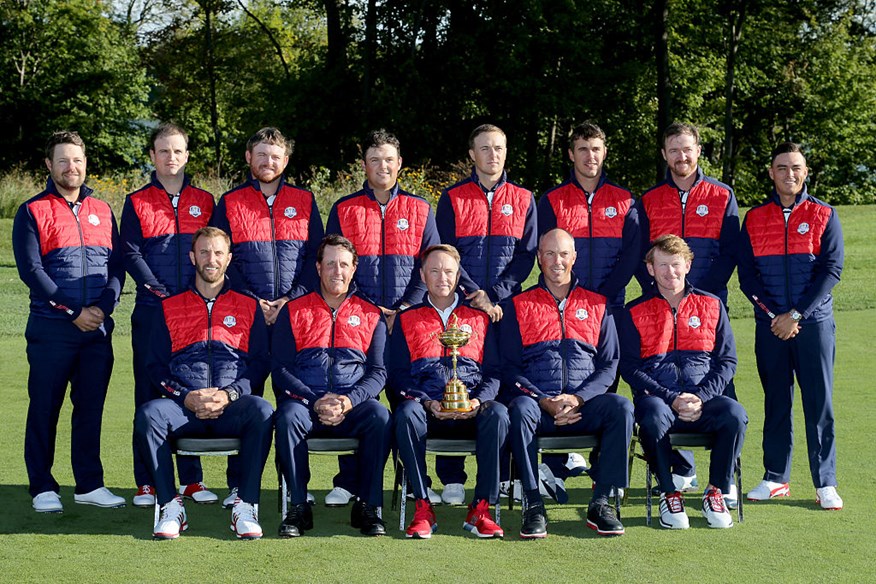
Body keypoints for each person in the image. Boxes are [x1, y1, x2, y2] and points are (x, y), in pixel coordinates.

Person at [323, 129, 439, 506]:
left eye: (389, 159)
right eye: (375, 160)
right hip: (361, 322)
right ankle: (348, 480)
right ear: (364, 166)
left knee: (409, 403)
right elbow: (335, 269)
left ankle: (413, 481)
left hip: (408, 324)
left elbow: (430, 263)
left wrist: (404, 309)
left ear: (400, 164)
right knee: (352, 395)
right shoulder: (344, 208)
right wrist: (373, 313)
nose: (382, 166)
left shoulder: (421, 208)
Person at [135, 227, 274, 539]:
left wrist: (229, 394)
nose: (211, 259)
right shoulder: (169, 307)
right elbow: (154, 367)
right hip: (184, 410)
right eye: (204, 252)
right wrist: (186, 396)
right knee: (148, 414)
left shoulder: (248, 306)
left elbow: (260, 363)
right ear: (192, 256)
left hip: (232, 409)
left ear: (228, 258)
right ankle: (171, 506)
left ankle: (245, 504)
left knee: (263, 411)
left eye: (218, 253)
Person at [13, 130, 126, 513]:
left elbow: (116, 267)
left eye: (76, 160)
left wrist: (103, 309)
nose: (70, 167)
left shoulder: (104, 210)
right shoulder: (32, 210)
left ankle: (89, 483)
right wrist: (73, 310)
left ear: (85, 164)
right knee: (45, 407)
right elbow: (32, 270)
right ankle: (42, 485)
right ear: (49, 165)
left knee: (90, 408)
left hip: (97, 329)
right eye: (62, 160)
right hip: (51, 328)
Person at [500, 228, 632, 538]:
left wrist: (578, 398)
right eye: (549, 254)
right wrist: (544, 399)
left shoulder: (598, 304)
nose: (556, 261)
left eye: (563, 254)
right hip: (538, 405)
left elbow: (610, 364)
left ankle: (601, 503)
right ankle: (533, 504)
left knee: (621, 407)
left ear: (574, 257)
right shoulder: (517, 306)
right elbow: (508, 368)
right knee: (518, 409)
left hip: (583, 405)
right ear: (539, 258)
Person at [738, 142, 844, 510]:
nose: (789, 174)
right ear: (771, 173)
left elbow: (831, 270)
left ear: (805, 171)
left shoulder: (824, 214)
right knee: (776, 401)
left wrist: (796, 315)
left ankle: (825, 482)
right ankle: (775, 477)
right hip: (770, 326)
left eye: (795, 167)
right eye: (781, 168)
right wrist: (775, 316)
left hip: (813, 325)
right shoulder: (753, 218)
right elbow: (747, 278)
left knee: (819, 403)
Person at [635, 122, 741, 491]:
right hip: (659, 302)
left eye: (688, 149)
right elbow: (640, 253)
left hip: (707, 303)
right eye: (674, 150)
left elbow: (731, 251)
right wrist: (660, 287)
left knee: (717, 388)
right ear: (665, 154)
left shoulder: (722, 194)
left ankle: (723, 481)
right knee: (660, 374)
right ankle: (679, 468)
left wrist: (698, 292)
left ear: (699, 151)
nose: (682, 156)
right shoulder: (649, 199)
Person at [434, 123, 537, 504]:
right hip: (462, 307)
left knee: (507, 386)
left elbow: (527, 256)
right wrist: (473, 294)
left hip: (506, 309)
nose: (492, 155)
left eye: (498, 148)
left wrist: (494, 294)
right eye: (484, 148)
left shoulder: (525, 198)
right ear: (472, 155)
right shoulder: (453, 197)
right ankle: (452, 476)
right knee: (455, 378)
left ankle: (505, 472)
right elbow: (444, 252)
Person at [618, 234, 747, 529]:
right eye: (662, 265)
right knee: (651, 417)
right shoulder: (634, 310)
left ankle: (716, 490)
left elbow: (727, 363)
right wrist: (671, 397)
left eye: (675, 264)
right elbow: (630, 367)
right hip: (659, 399)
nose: (669, 272)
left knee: (735, 415)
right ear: (650, 268)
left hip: (704, 398)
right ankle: (668, 491)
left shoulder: (712, 304)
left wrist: (701, 396)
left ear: (688, 265)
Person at [120, 122, 217, 507]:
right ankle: (146, 481)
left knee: (190, 388)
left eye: (177, 151)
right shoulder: (137, 200)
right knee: (148, 394)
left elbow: (215, 252)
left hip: (195, 314)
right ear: (152, 157)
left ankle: (192, 479)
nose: (171, 158)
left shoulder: (206, 200)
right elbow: (130, 252)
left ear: (187, 155)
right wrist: (161, 293)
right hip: (152, 311)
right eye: (163, 151)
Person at [272, 234, 391, 537]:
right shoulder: (294, 310)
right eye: (330, 264)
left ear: (354, 269)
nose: (337, 271)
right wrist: (315, 400)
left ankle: (368, 505)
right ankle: (298, 507)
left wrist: (349, 401)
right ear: (318, 267)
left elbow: (378, 372)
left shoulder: (370, 314)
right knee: (286, 416)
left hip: (352, 407)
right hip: (307, 405)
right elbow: (281, 369)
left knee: (380, 416)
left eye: (343, 265)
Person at [391, 244, 507, 539]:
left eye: (448, 271)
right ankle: (422, 506)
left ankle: (481, 507)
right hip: (430, 412)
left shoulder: (479, 317)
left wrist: (478, 400)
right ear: (422, 275)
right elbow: (397, 376)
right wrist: (427, 402)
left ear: (458, 276)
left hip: (471, 411)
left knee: (499, 413)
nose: (442, 277)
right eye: (434, 271)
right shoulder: (407, 319)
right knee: (406, 412)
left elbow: (494, 373)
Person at [538, 122, 639, 312]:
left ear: (605, 153)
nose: (590, 156)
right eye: (583, 149)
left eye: (595, 149)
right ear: (571, 154)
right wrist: (568, 295)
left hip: (611, 305)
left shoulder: (625, 200)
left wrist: (607, 294)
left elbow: (631, 255)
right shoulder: (552, 200)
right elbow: (545, 256)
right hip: (564, 306)